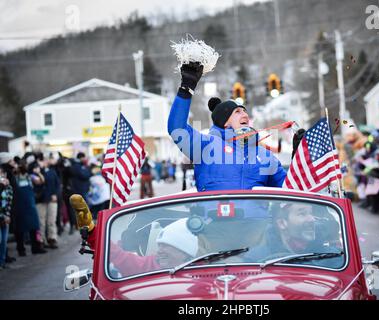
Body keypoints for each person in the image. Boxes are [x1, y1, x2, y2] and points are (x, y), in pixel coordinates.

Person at [167, 62, 287, 191]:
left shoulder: (264, 155)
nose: (245, 115)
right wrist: (186, 90)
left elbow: (288, 189)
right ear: (225, 122)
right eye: (237, 112)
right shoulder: (206, 146)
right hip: (214, 211)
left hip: (255, 212)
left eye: (245, 111)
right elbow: (177, 129)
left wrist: (299, 156)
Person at [69, 194, 197, 278]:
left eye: (167, 246)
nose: (160, 251)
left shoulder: (204, 265)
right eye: (160, 246)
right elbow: (115, 254)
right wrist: (91, 231)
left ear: (183, 250)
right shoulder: (150, 265)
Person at [245, 202, 342, 267]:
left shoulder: (333, 257)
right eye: (302, 214)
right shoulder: (255, 259)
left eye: (311, 213)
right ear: (282, 223)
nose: (312, 219)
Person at [35, 156, 60, 249]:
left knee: (51, 220)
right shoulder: (35, 172)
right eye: (42, 160)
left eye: (45, 160)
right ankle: (41, 240)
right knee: (41, 221)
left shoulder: (52, 171)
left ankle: (52, 239)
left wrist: (55, 194)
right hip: (40, 199)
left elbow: (57, 184)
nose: (44, 162)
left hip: (52, 199)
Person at [0, 165, 13, 269]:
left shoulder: (9, 187)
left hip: (5, 216)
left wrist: (7, 215)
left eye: (2, 173)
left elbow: (9, 202)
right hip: (1, 217)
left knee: (4, 241)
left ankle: (2, 261)